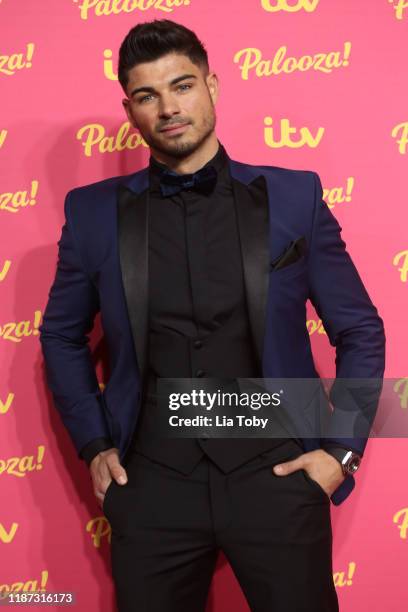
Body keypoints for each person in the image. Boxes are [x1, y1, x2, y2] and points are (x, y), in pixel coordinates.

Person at [39, 18, 385, 612]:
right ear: (130, 110)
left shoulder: (293, 197)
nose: (168, 107)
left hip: (276, 474)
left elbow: (360, 329)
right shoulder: (93, 215)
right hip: (150, 485)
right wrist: (95, 443)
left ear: (213, 87)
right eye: (147, 96)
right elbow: (62, 334)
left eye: (182, 86)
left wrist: (339, 453)